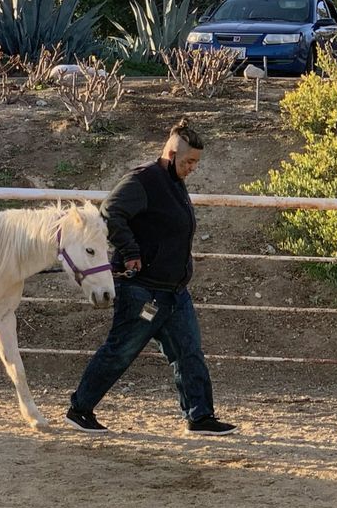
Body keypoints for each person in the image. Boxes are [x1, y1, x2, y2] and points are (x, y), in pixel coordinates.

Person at [65, 118, 237, 436]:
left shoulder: (173, 183)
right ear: (171, 154)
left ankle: (200, 417)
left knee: (189, 352)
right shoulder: (143, 180)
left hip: (173, 292)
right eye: (188, 161)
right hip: (144, 293)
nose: (193, 168)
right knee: (121, 350)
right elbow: (110, 212)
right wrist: (130, 252)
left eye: (196, 162)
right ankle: (80, 409)